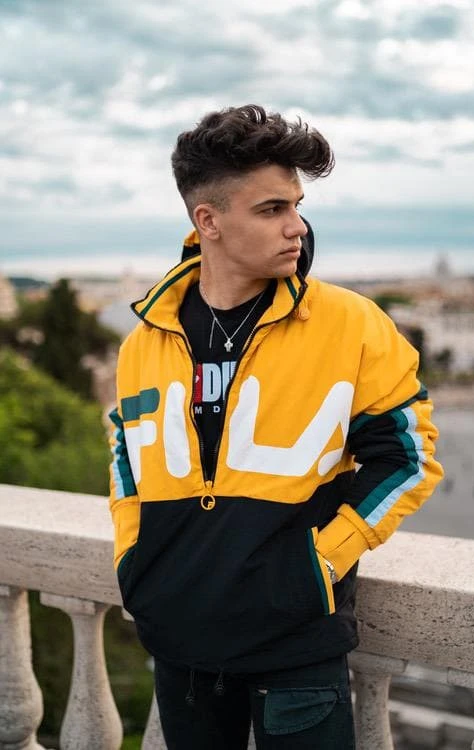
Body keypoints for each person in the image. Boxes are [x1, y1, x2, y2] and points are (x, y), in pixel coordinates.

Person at [108, 104, 443, 749]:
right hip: (178, 647)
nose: (297, 226)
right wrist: (135, 559)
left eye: (296, 206)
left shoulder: (351, 323)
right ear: (208, 221)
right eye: (271, 209)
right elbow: (127, 459)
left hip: (295, 652)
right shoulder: (145, 340)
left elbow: (407, 456)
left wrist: (317, 562)